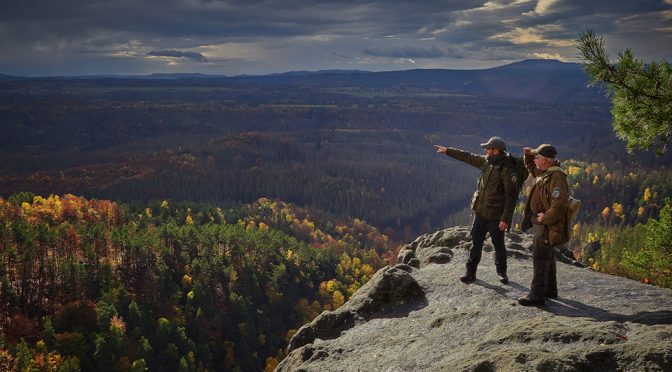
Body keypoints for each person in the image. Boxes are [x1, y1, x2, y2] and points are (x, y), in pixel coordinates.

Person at [435, 137, 521, 284]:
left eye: (488, 148)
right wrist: (448, 151)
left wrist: (505, 219)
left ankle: (502, 273)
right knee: (476, 244)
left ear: (496, 150)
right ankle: (470, 272)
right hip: (480, 213)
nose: (485, 150)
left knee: (498, 245)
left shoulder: (507, 169)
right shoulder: (486, 161)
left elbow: (511, 197)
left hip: (495, 216)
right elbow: (468, 156)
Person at [517, 144, 570, 306]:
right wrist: (528, 155)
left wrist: (544, 218)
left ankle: (537, 295)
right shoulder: (546, 172)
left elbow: (559, 204)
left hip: (547, 224)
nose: (535, 159)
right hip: (543, 223)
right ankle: (550, 290)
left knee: (540, 257)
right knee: (548, 256)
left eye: (537, 157)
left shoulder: (556, 177)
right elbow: (532, 167)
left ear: (546, 161)